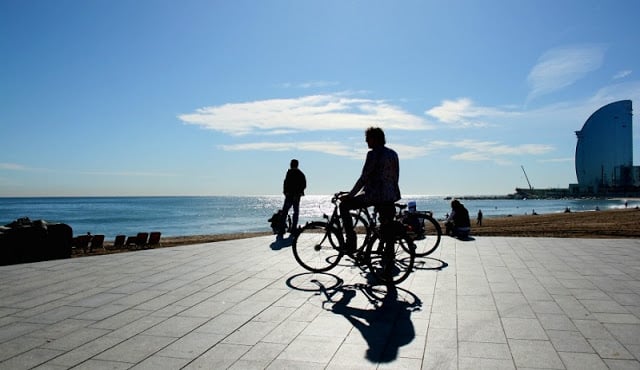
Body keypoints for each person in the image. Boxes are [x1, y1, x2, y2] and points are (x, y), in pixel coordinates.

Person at [340, 127, 401, 252]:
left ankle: (351, 240)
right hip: (391, 195)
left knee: (344, 206)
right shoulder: (393, 154)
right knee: (387, 226)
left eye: (367, 138)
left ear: (374, 139)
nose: (366, 141)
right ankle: (388, 256)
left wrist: (350, 195)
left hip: (374, 195)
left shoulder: (373, 154)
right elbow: (396, 177)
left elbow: (364, 178)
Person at [281, 159, 306, 235]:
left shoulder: (291, 173)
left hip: (291, 195)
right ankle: (292, 228)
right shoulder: (299, 173)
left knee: (285, 211)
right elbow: (304, 185)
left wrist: (286, 192)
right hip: (294, 195)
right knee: (294, 212)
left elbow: (286, 183)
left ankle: (284, 228)